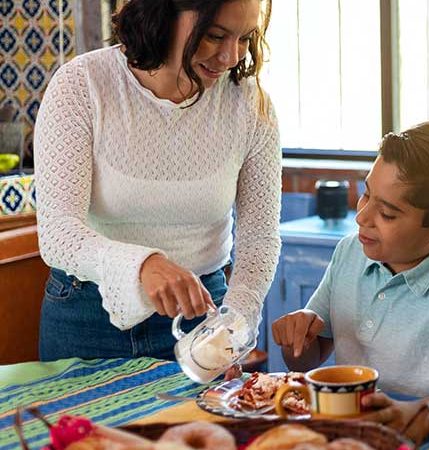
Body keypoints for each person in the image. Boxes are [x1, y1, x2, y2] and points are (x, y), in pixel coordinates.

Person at [33, 0, 281, 361]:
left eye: (246, 38)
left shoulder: (251, 106)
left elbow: (260, 238)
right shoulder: (81, 86)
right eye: (214, 36)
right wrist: (143, 265)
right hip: (84, 315)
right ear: (162, 14)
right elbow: (57, 233)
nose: (230, 57)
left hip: (201, 319)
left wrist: (235, 322)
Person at [271, 120, 429, 441]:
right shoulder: (351, 252)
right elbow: (310, 356)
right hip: (352, 437)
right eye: (366, 194)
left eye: (388, 214)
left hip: (427, 437)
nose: (362, 217)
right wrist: (297, 339)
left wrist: (423, 412)